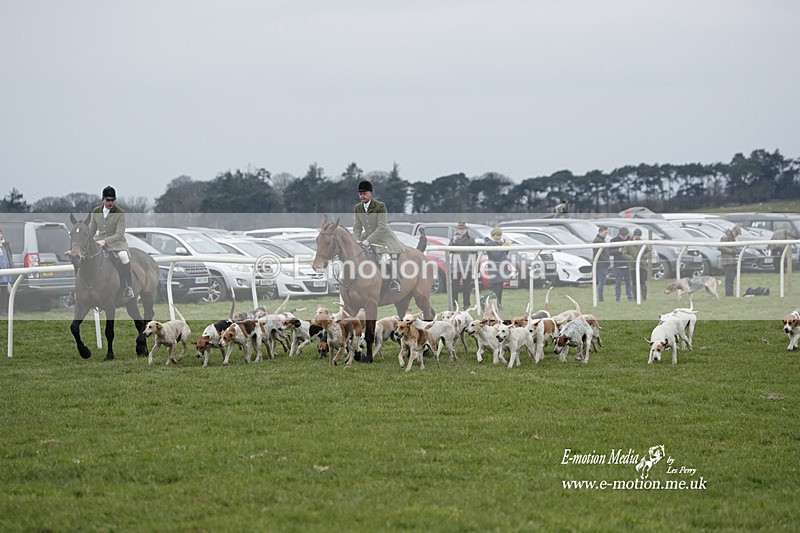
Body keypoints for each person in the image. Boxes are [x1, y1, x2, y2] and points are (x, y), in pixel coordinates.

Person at [352, 180, 405, 293]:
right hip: (366, 237)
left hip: (383, 238)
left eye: (365, 193)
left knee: (386, 259)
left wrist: (368, 241)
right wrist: (356, 240)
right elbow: (357, 227)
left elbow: (382, 227)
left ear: (371, 193)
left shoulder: (380, 206)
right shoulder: (357, 208)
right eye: (360, 194)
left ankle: (395, 282)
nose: (362, 196)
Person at [88, 186, 135, 301]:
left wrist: (105, 241)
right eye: (108, 200)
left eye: (112, 200)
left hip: (117, 244)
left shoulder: (120, 213)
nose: (110, 202)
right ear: (102, 200)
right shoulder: (96, 211)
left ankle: (128, 286)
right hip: (99, 243)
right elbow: (91, 231)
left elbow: (119, 234)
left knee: (124, 257)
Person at [448, 221, 479, 308]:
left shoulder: (471, 240)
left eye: (463, 229)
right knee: (454, 288)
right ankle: (454, 305)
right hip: (455, 267)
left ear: (466, 229)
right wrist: (453, 242)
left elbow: (475, 253)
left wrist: (475, 265)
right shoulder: (453, 239)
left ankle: (466, 305)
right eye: (460, 229)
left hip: (467, 267)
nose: (461, 230)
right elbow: (449, 251)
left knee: (467, 288)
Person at [483, 227, 511, 309]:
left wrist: (506, 248)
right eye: (496, 235)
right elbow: (495, 255)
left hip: (502, 268)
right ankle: (494, 306)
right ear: (492, 235)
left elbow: (504, 254)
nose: (498, 237)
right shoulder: (489, 244)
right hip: (494, 269)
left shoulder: (501, 242)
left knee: (500, 288)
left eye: (499, 235)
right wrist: (503, 248)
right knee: (496, 289)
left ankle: (498, 305)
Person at [610, 227, 634, 302]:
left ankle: (630, 297)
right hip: (618, 265)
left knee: (628, 283)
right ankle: (617, 298)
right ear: (619, 234)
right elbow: (609, 251)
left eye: (625, 235)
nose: (624, 237)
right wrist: (617, 250)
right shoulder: (613, 241)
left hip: (627, 265)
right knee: (618, 283)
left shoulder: (630, 240)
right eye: (623, 235)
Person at [627, 228, 651, 301]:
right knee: (634, 282)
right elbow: (625, 253)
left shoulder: (643, 243)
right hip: (633, 266)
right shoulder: (629, 243)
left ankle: (644, 298)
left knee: (642, 281)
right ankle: (635, 297)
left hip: (642, 265)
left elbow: (648, 252)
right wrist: (632, 258)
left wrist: (643, 257)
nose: (638, 238)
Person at [720, 224, 742, 297]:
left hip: (731, 261)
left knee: (731, 278)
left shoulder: (731, 238)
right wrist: (731, 251)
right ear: (733, 231)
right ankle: (729, 293)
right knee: (729, 278)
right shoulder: (726, 237)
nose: (737, 235)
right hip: (727, 261)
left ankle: (730, 293)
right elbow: (720, 247)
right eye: (737, 234)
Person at [593, 225, 610, 302]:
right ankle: (600, 298)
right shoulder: (598, 241)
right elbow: (599, 254)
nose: (606, 234)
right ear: (600, 232)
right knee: (601, 282)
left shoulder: (601, 240)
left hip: (603, 264)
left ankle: (600, 297)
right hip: (601, 265)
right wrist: (606, 260)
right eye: (605, 232)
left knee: (602, 281)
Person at [0, 227, 15, 315]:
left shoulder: (5, 245)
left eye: (0, 233)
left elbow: (9, 256)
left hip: (6, 272)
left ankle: (4, 310)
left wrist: (11, 266)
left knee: (4, 292)